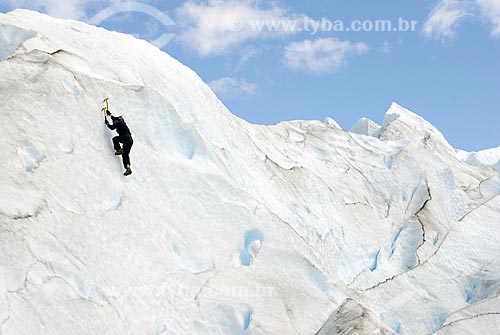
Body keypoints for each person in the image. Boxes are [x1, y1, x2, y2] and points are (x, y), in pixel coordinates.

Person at [105, 111, 133, 176]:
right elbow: (114, 118)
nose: (114, 122)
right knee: (125, 154)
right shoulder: (121, 122)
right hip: (130, 140)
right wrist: (110, 114)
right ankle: (128, 167)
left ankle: (119, 149)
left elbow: (112, 127)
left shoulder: (120, 122)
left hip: (125, 137)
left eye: (115, 121)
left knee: (115, 139)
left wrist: (107, 124)